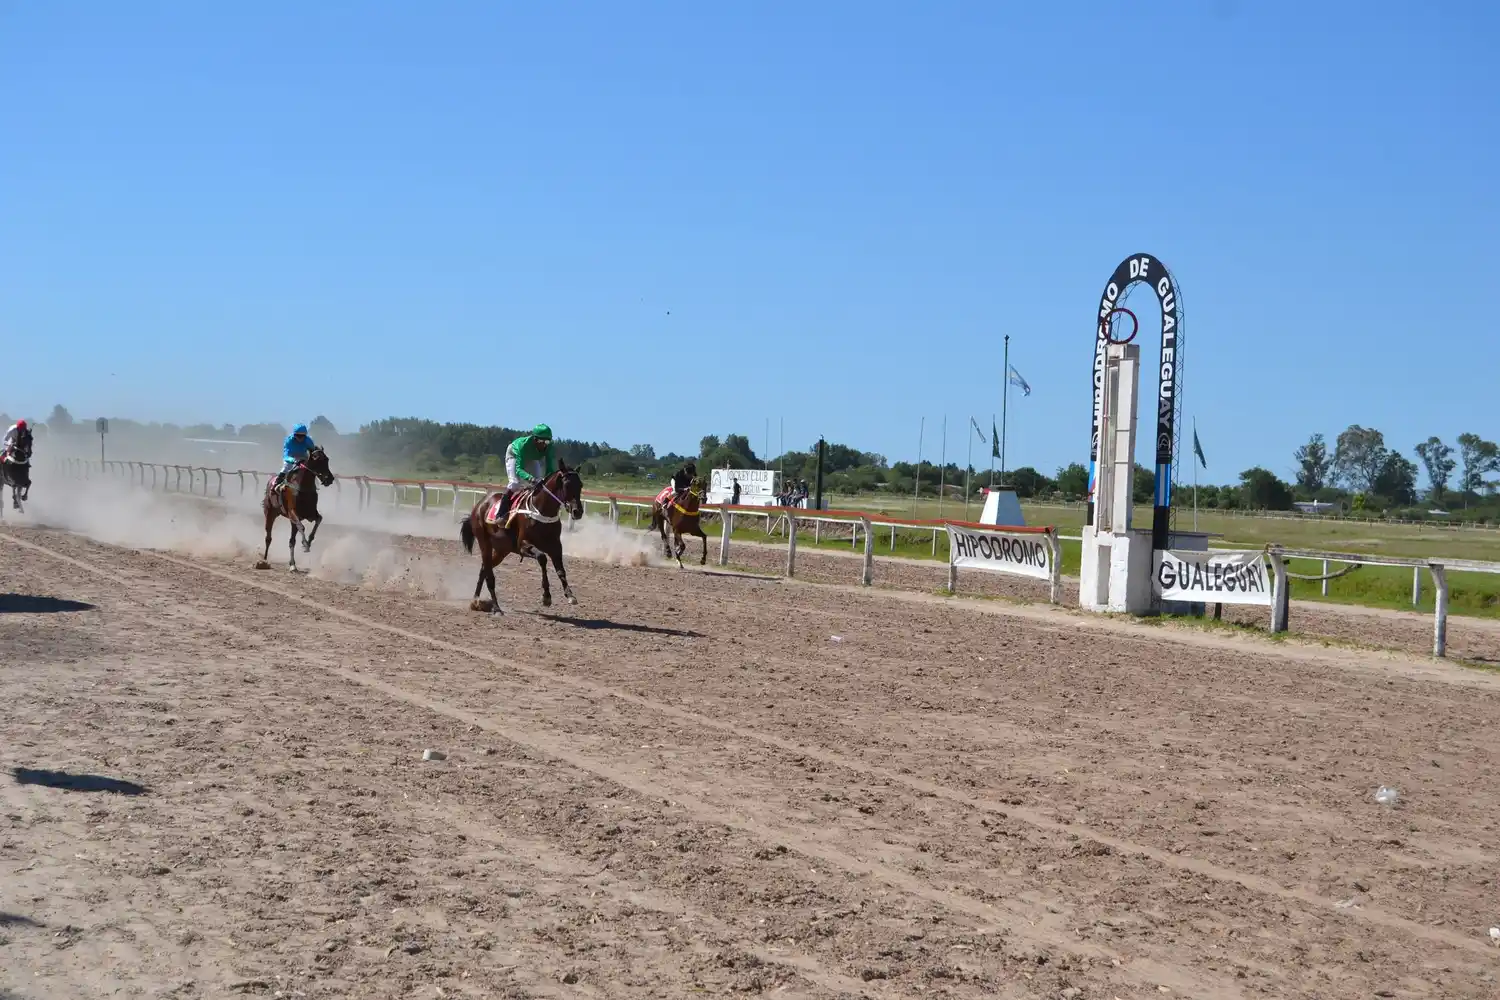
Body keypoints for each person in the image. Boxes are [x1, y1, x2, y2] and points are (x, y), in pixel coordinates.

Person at [496, 423, 557, 520]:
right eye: (541, 440)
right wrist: (530, 478)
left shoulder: (549, 447)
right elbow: (519, 469)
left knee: (539, 483)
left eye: (547, 441)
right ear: (534, 439)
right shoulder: (523, 446)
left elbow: (550, 469)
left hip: (532, 457)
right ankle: (501, 513)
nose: (544, 444)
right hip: (514, 455)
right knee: (515, 483)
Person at [272, 424, 315, 490]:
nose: (300, 438)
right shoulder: (289, 441)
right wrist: (293, 460)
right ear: (294, 435)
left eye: (302, 436)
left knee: (310, 470)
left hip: (303, 457)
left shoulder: (308, 440)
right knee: (286, 468)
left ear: (305, 435)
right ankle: (276, 485)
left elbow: (313, 451)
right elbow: (286, 456)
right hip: (291, 458)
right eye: (298, 435)